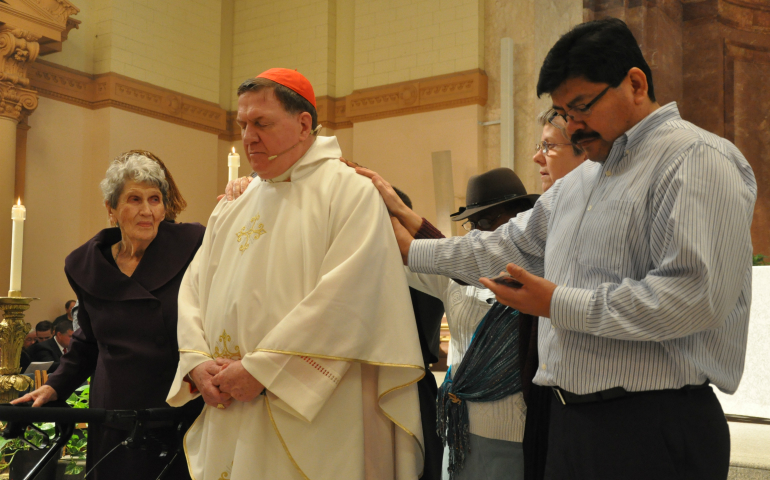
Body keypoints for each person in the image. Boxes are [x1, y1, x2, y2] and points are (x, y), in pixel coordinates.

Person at [400, 18, 756, 480]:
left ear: (635, 83)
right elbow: (506, 246)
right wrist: (410, 249)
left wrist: (556, 303)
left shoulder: (696, 159)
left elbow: (694, 298)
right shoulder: (581, 181)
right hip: (567, 420)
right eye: (565, 113)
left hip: (651, 425)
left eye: (582, 106)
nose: (573, 126)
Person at [166, 68, 424, 480]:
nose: (248, 137)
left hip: (316, 413)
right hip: (229, 404)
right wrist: (196, 361)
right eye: (243, 125)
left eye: (261, 123)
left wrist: (263, 369)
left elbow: (348, 297)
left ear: (304, 124)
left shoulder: (349, 192)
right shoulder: (234, 201)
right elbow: (192, 290)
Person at [14, 150, 205, 480]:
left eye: (155, 199)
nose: (146, 211)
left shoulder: (192, 245)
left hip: (176, 408)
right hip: (114, 411)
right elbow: (88, 342)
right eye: (134, 199)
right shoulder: (85, 265)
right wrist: (54, 387)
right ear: (112, 209)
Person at [353, 165, 538, 480]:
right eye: (473, 223)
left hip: (515, 433)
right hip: (458, 430)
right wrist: (367, 202)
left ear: (520, 220)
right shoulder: (455, 278)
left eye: (490, 220)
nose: (480, 232)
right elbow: (401, 252)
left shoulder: (538, 275)